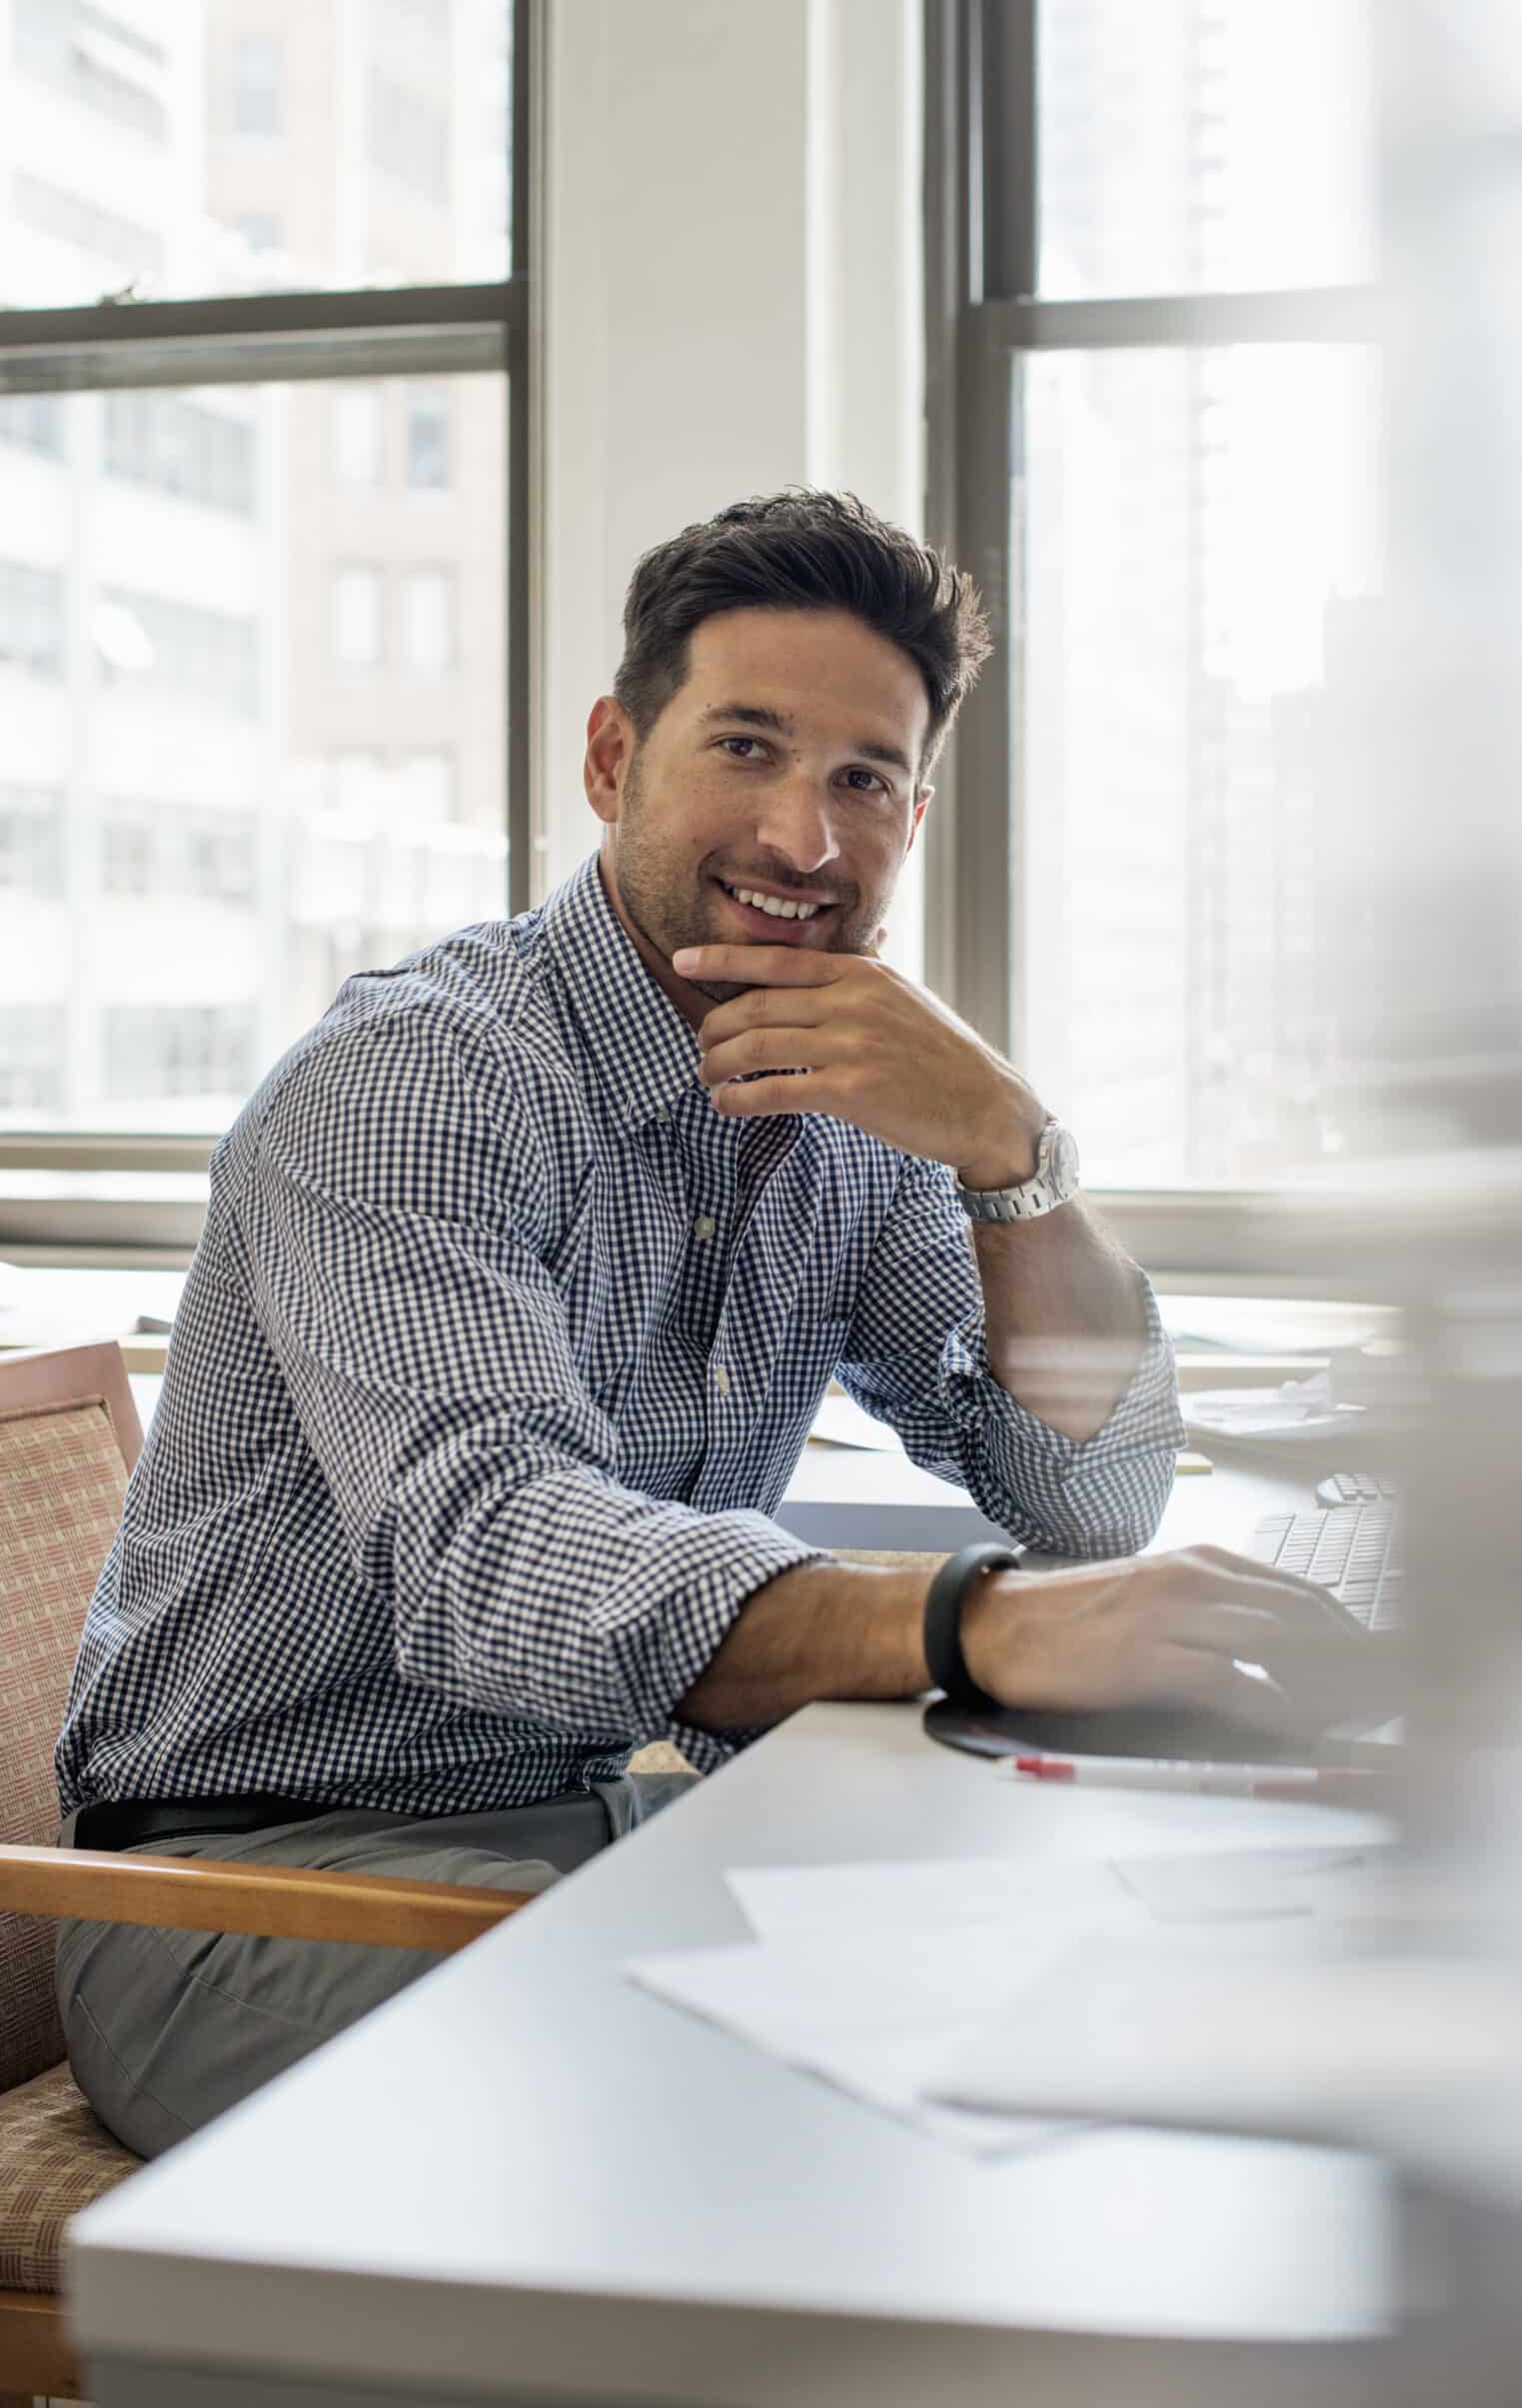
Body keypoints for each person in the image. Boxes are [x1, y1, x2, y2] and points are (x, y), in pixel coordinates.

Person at [55, 489, 1360, 2156]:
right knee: (902, 2116)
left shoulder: (837, 1097)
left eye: (862, 780)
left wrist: (1013, 1160)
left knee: (1124, 1979)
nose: (804, 842)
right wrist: (973, 1622)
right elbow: (495, 1561)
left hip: (597, 1835)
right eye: (744, 748)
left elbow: (1089, 1501)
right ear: (613, 760)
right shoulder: (421, 1083)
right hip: (268, 1903)